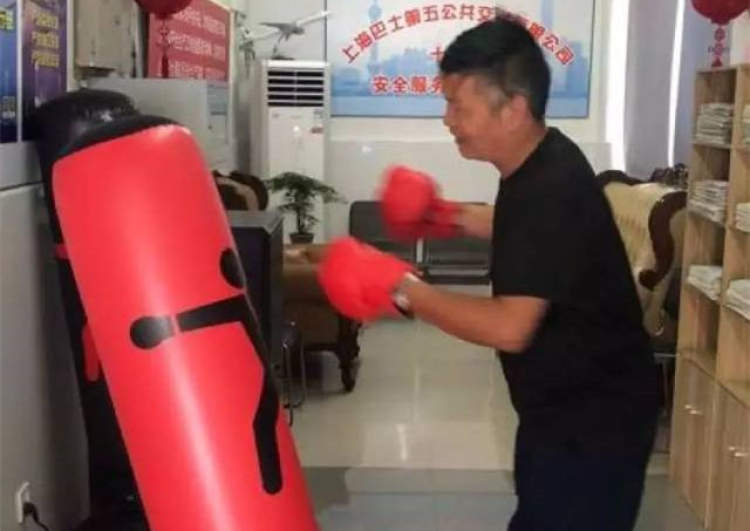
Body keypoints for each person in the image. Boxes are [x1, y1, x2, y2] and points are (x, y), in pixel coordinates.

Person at [318, 16, 659, 531]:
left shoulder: (550, 186)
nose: (448, 119)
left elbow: (509, 326)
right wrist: (445, 215)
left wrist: (401, 287)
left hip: (594, 420)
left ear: (513, 109)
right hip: (568, 406)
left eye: (459, 106)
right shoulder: (542, 160)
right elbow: (524, 228)